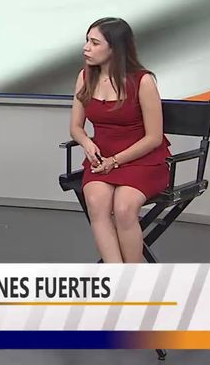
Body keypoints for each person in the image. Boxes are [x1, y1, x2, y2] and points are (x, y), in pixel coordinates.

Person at [70, 17, 171, 263]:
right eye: (87, 41)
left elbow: (154, 137)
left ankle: (133, 278)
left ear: (115, 48)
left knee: (124, 208)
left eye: (94, 43)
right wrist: (87, 143)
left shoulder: (143, 81)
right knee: (96, 202)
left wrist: (115, 161)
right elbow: (75, 127)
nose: (86, 48)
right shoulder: (85, 77)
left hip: (142, 160)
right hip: (101, 160)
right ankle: (117, 276)